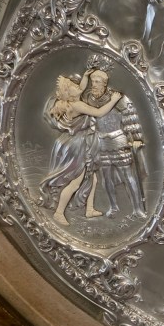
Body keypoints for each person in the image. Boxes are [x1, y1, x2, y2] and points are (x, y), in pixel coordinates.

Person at [40, 72, 123, 225]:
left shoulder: (70, 101)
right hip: (76, 145)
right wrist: (114, 100)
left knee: (93, 178)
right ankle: (59, 213)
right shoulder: (78, 105)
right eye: (73, 86)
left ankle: (89, 209)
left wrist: (85, 76)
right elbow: (99, 113)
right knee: (75, 182)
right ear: (69, 92)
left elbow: (81, 88)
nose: (78, 86)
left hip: (73, 142)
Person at [81, 70, 147, 218]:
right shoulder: (89, 99)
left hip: (118, 140)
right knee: (106, 177)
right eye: (92, 82)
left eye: (97, 82)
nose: (94, 85)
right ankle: (113, 207)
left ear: (105, 84)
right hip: (101, 142)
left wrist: (136, 137)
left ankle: (137, 209)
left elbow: (130, 116)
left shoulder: (117, 98)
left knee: (127, 175)